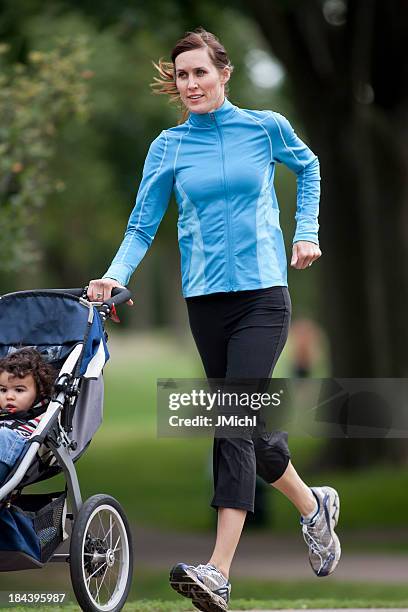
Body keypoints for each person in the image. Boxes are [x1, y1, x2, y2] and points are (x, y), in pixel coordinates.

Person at [87, 27, 341, 612]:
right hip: (204, 301)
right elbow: (141, 226)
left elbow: (310, 166)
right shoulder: (168, 147)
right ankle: (314, 507)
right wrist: (112, 277)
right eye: (182, 75)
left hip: (262, 295)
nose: (191, 83)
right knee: (251, 428)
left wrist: (306, 231)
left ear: (224, 73)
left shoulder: (264, 127)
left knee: (230, 417)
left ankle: (218, 571)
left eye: (201, 71)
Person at [0, 348, 55, 486]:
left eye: (19, 390)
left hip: (16, 451)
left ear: (39, 392)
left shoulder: (42, 415)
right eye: (3, 390)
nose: (9, 396)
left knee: (4, 436)